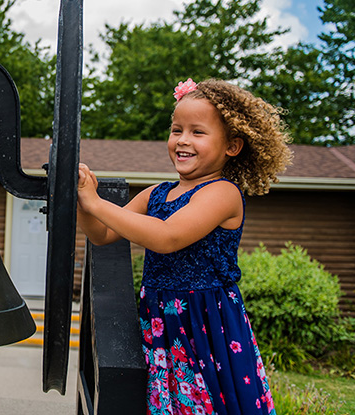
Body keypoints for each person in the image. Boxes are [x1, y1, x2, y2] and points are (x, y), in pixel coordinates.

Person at [76, 78, 291, 415]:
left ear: (232, 146)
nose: (183, 140)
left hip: (206, 324)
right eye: (177, 130)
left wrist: (98, 204)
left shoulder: (222, 193)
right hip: (160, 320)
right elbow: (102, 234)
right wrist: (84, 199)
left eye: (198, 132)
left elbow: (167, 237)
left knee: (209, 403)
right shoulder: (156, 193)